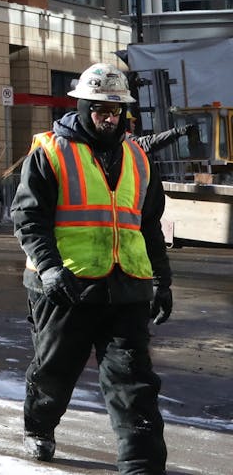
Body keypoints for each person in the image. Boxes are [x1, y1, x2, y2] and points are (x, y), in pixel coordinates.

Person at [13, 62, 178, 470]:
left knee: (134, 385)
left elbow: (149, 225)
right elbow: (28, 219)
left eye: (115, 110)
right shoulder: (50, 151)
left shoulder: (138, 158)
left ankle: (142, 466)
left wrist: (162, 280)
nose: (108, 118)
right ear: (83, 107)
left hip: (126, 289)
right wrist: (50, 268)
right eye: (99, 109)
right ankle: (39, 426)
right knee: (53, 375)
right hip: (65, 288)